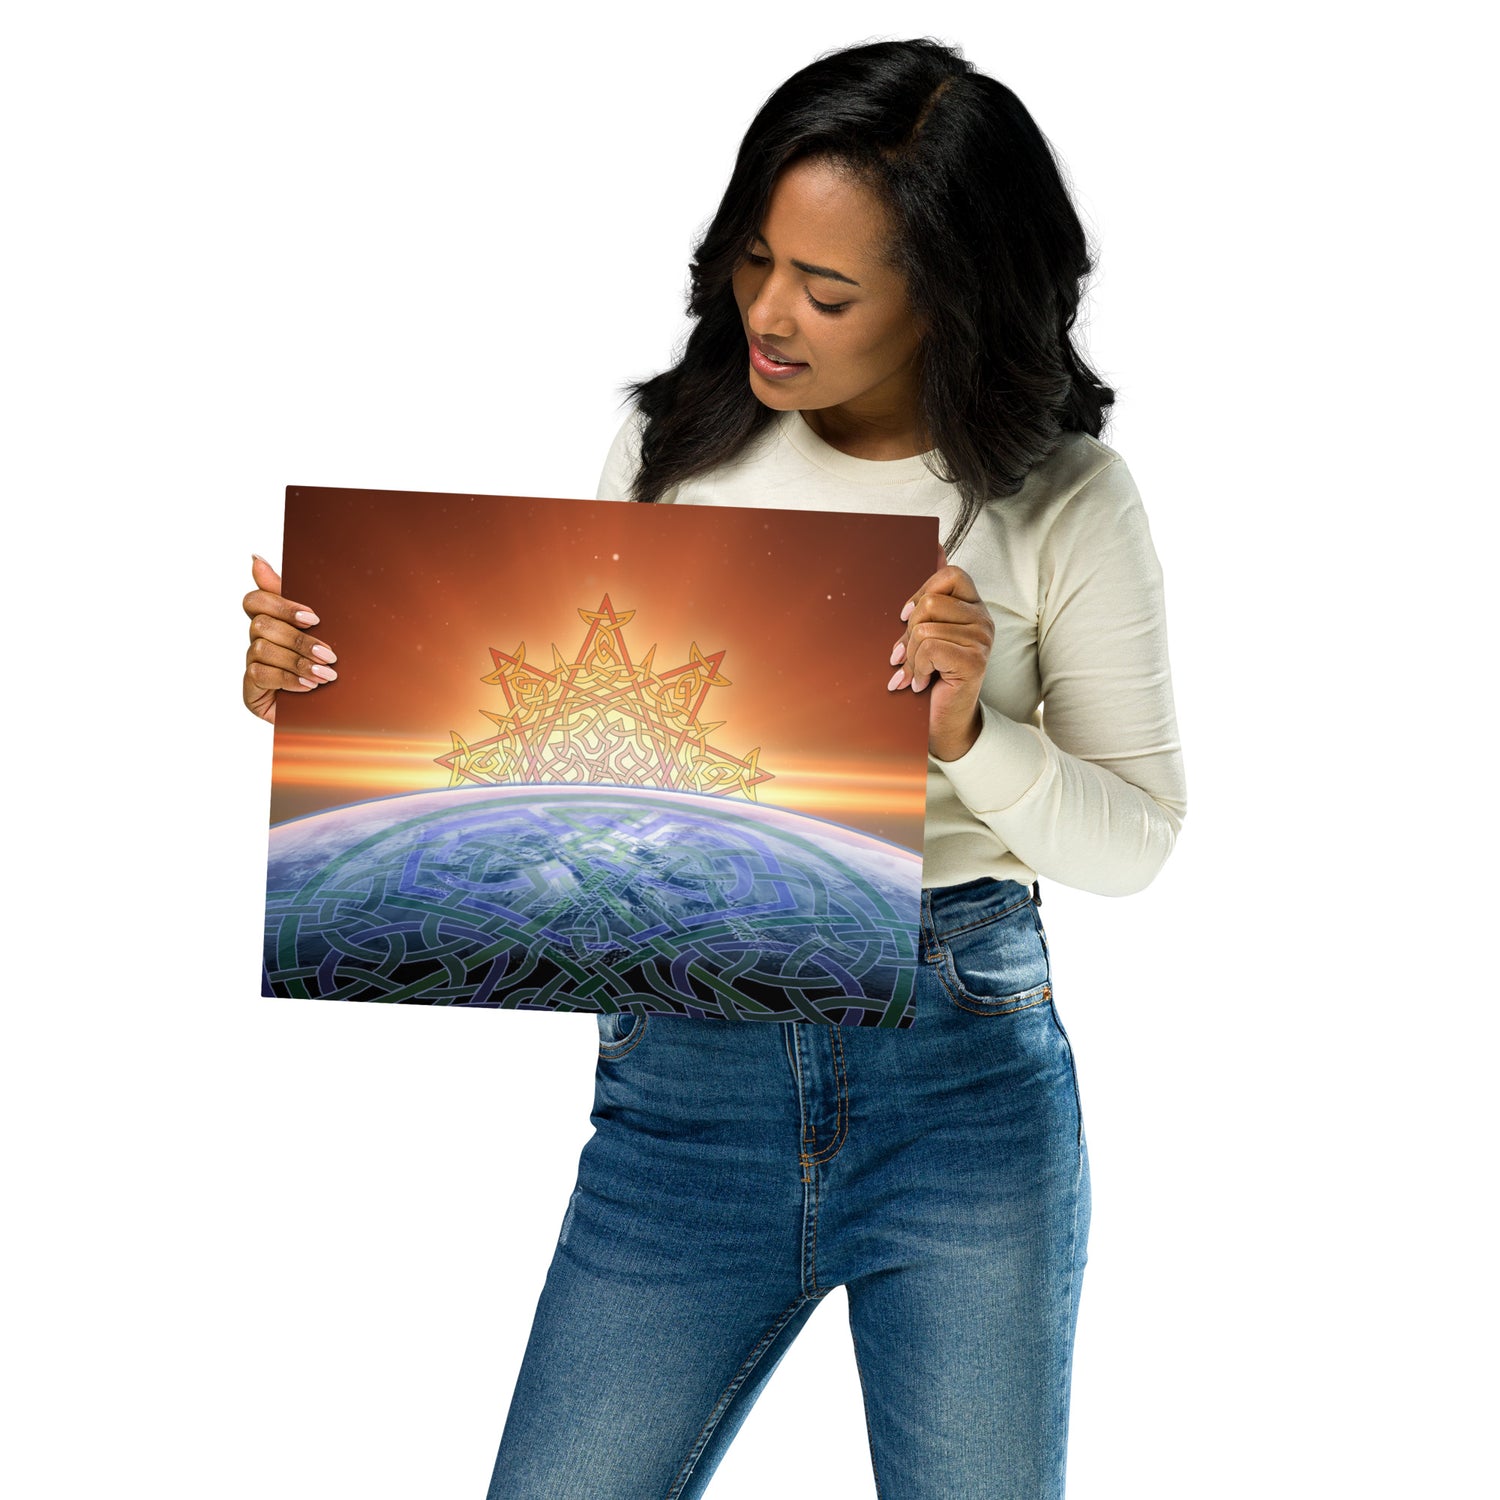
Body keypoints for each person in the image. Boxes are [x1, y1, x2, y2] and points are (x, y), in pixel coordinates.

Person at [242, 37, 1187, 1500]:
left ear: (951, 292)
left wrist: (967, 735)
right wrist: (329, 694)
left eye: (828, 288)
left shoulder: (1063, 497)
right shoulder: (668, 444)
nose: (769, 314)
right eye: (755, 260)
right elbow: (574, 768)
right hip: (681, 1098)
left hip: (962, 1089)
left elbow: (1137, 843)